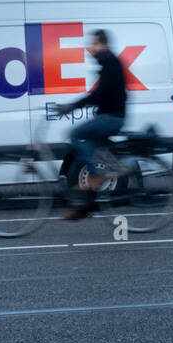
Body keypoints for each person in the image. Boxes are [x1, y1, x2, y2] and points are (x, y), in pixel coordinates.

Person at [53, 29, 127, 220]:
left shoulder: (110, 63)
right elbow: (101, 94)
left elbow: (100, 94)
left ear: (104, 44)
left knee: (75, 134)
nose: (92, 49)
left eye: (94, 44)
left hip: (111, 118)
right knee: (94, 152)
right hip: (110, 115)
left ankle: (96, 176)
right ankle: (86, 205)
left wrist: (72, 106)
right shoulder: (108, 63)